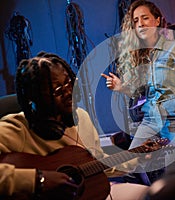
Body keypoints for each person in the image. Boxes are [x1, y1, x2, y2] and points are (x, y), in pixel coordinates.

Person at [0, 52, 150, 200]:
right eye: (58, 90)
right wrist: (38, 181)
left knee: (154, 194)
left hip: (90, 194)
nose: (69, 92)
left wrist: (138, 156)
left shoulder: (81, 117)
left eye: (69, 83)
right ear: (34, 98)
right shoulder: (15, 129)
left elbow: (97, 162)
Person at [101, 0, 175, 174]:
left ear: (157, 21)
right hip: (151, 119)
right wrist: (121, 87)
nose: (140, 24)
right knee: (128, 164)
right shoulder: (139, 56)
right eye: (136, 21)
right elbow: (140, 94)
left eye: (145, 18)